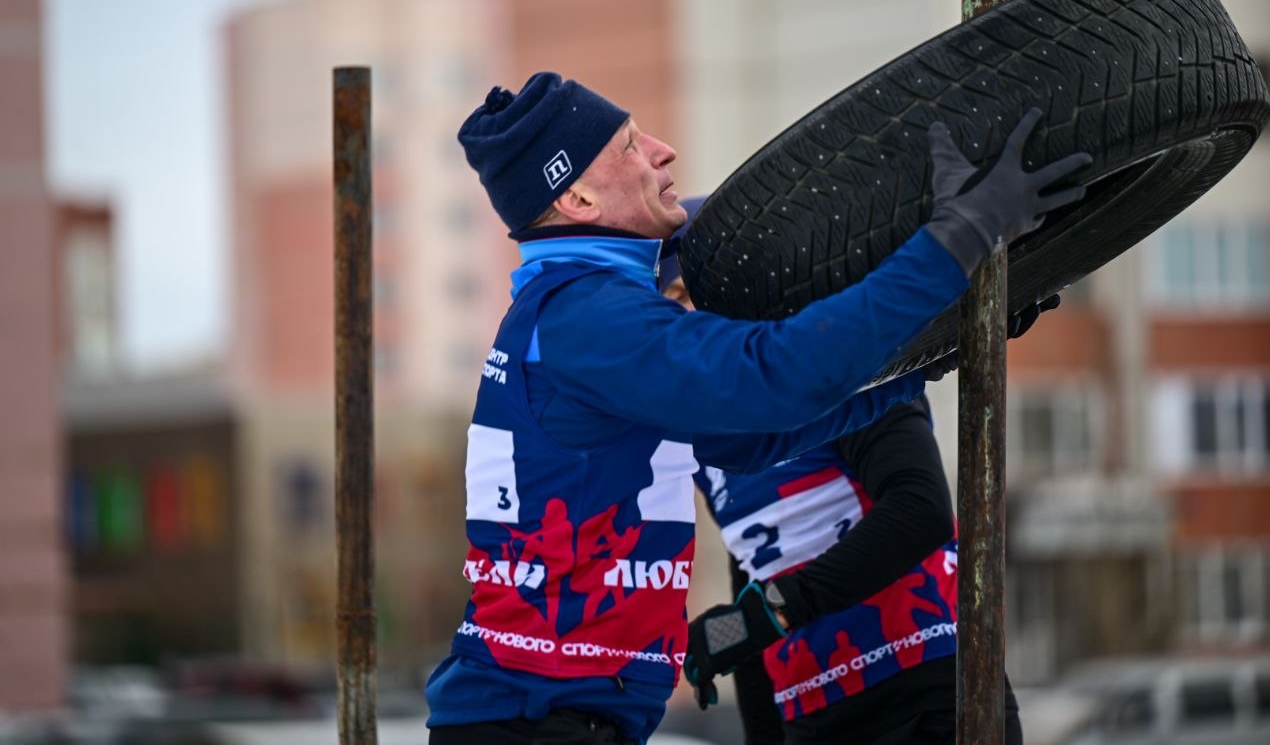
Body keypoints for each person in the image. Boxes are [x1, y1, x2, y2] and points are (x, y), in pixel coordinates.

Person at [425, 71, 1089, 744]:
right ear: (577, 196)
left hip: (901, 692)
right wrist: (958, 237)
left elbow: (758, 440)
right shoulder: (588, 315)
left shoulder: (575, 312)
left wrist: (938, 353)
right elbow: (773, 378)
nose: (661, 150)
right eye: (629, 145)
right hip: (535, 720)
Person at [662, 210, 1043, 743]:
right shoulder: (705, 435)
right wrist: (745, 641)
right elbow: (755, 577)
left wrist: (775, 610)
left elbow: (920, 510)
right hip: (812, 713)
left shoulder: (832, 368)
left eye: (695, 292)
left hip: (925, 690)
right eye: (672, 300)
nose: (687, 313)